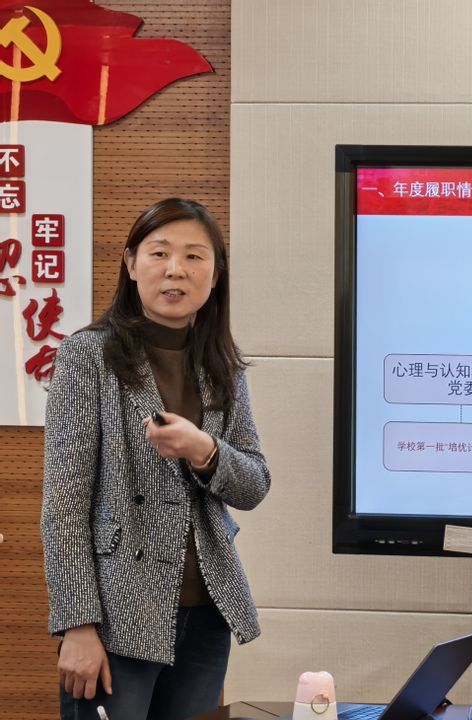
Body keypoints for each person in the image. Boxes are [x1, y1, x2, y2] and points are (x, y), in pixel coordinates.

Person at [40, 198, 271, 720]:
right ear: (131, 264)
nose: (175, 270)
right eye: (159, 253)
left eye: (194, 256)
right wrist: (77, 625)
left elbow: (255, 484)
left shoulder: (222, 364)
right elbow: (63, 506)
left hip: (207, 613)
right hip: (116, 615)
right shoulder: (86, 356)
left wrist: (204, 451)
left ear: (215, 275)